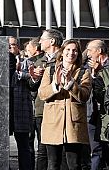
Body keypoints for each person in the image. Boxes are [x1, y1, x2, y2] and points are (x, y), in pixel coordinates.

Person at [38, 38, 92, 170]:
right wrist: (55, 85)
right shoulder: (50, 70)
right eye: (68, 50)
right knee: (53, 164)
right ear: (62, 52)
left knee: (74, 165)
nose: (71, 53)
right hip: (52, 124)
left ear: (78, 54)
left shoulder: (84, 72)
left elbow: (84, 96)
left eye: (75, 50)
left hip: (74, 125)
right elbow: (42, 94)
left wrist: (70, 83)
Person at [29, 29, 63, 170]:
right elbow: (32, 87)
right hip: (41, 110)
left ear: (52, 41)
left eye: (42, 39)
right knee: (42, 150)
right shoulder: (39, 61)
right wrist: (34, 77)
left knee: (57, 151)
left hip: (58, 109)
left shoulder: (63, 58)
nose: (40, 42)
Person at [85, 40, 109, 170]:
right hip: (91, 112)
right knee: (96, 149)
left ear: (99, 51)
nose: (88, 53)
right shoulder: (87, 67)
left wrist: (100, 72)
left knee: (108, 151)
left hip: (108, 115)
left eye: (90, 50)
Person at [9, 37, 34, 170]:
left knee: (24, 146)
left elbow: (31, 76)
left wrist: (18, 73)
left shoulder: (26, 62)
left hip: (21, 109)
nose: (10, 47)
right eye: (7, 45)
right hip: (6, 109)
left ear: (18, 47)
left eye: (13, 45)